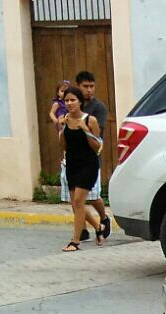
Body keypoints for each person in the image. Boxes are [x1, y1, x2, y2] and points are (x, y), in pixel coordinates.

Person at [58, 86, 105, 252]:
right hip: (72, 165)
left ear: (80, 102)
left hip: (88, 165)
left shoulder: (89, 120)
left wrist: (86, 131)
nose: (70, 103)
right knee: (75, 203)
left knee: (78, 201)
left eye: (73, 100)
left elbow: (98, 146)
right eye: (67, 101)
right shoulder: (64, 119)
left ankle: (75, 242)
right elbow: (63, 145)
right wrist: (62, 129)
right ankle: (98, 227)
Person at [75, 70, 113, 239]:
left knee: (92, 196)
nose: (89, 90)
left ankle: (104, 218)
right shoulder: (74, 105)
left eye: (91, 86)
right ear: (78, 87)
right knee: (75, 196)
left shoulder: (99, 108)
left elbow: (97, 133)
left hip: (91, 157)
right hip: (74, 157)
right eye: (85, 86)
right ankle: (82, 229)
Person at [47, 80, 73, 204]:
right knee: (65, 150)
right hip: (62, 128)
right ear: (58, 93)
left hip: (70, 126)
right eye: (62, 91)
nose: (64, 94)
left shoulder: (70, 104)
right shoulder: (57, 104)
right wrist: (55, 121)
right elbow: (51, 113)